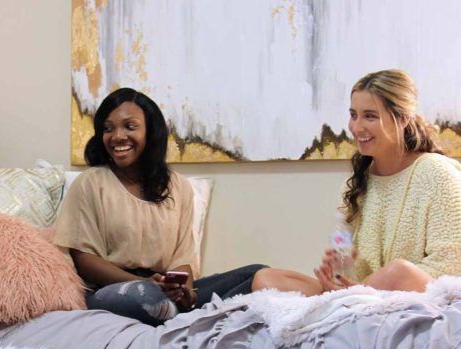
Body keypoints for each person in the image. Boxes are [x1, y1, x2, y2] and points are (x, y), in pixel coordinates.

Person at [53, 88, 319, 326]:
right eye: (108, 128)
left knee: (254, 273)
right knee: (142, 297)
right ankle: (190, 314)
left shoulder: (177, 186)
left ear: (150, 132)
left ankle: (332, 297)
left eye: (130, 126)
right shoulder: (90, 183)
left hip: (162, 288)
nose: (117, 136)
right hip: (114, 291)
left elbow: (182, 258)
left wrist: (185, 290)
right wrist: (143, 283)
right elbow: (84, 260)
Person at [314, 69, 461, 292]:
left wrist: (374, 287)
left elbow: (451, 264)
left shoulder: (437, 173)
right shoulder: (356, 183)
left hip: (420, 299)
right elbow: (346, 254)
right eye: (353, 115)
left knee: (399, 270)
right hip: (363, 299)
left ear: (402, 119)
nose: (357, 127)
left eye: (370, 116)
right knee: (265, 276)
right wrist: (340, 266)